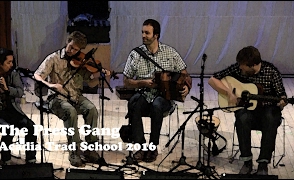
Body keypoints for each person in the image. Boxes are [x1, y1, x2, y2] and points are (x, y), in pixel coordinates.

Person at [34, 31, 110, 167]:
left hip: (75, 96)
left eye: (76, 49)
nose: (72, 51)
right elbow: (37, 75)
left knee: (92, 109)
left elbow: (90, 81)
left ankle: (90, 149)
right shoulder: (53, 58)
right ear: (67, 42)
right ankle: (74, 152)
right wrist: (50, 84)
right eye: (71, 47)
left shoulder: (80, 61)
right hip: (56, 99)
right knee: (70, 112)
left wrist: (101, 75)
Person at [208, 45, 288, 175]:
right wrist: (229, 93)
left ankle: (263, 163)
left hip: (267, 110)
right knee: (242, 117)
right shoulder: (238, 68)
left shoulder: (271, 71)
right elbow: (212, 80)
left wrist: (282, 102)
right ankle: (247, 161)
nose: (240, 67)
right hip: (248, 111)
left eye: (243, 65)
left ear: (252, 65)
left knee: (271, 117)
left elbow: (281, 95)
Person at [123, 19, 192, 163]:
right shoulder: (135, 54)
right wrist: (143, 83)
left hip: (164, 97)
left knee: (157, 105)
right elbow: (126, 81)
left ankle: (153, 147)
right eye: (142, 32)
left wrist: (186, 86)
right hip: (144, 93)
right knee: (134, 103)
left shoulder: (170, 52)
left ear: (156, 35)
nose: (143, 35)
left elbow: (185, 75)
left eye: (147, 33)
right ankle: (141, 147)